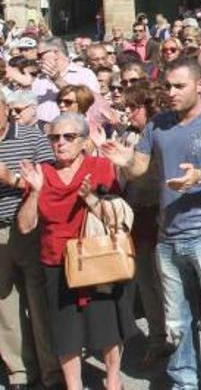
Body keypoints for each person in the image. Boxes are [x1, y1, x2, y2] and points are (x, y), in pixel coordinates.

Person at [100, 58, 201, 389]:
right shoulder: (158, 125)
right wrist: (124, 162)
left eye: (179, 86)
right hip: (167, 237)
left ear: (199, 86)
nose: (170, 92)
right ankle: (184, 382)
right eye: (167, 85)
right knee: (177, 321)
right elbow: (139, 168)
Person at [18, 113, 137, 390]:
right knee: (65, 332)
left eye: (69, 137)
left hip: (97, 258)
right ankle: (74, 386)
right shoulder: (41, 172)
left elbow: (115, 218)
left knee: (107, 324)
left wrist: (89, 197)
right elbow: (25, 227)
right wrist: (35, 192)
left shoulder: (100, 167)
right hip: (56, 261)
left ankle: (113, 380)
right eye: (55, 137)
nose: (60, 143)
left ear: (83, 141)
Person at [0, 91, 60, 389]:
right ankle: (19, 372)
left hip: (29, 227)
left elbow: (49, 181)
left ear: (4, 109)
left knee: (39, 302)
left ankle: (52, 372)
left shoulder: (31, 136)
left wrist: (11, 179)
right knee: (5, 305)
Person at [117, 82, 173, 366]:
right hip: (137, 215)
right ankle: (157, 339)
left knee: (168, 283)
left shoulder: (165, 134)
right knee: (147, 284)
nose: (128, 114)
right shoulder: (128, 135)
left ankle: (175, 339)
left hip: (163, 214)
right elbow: (122, 179)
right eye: (126, 107)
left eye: (133, 107)